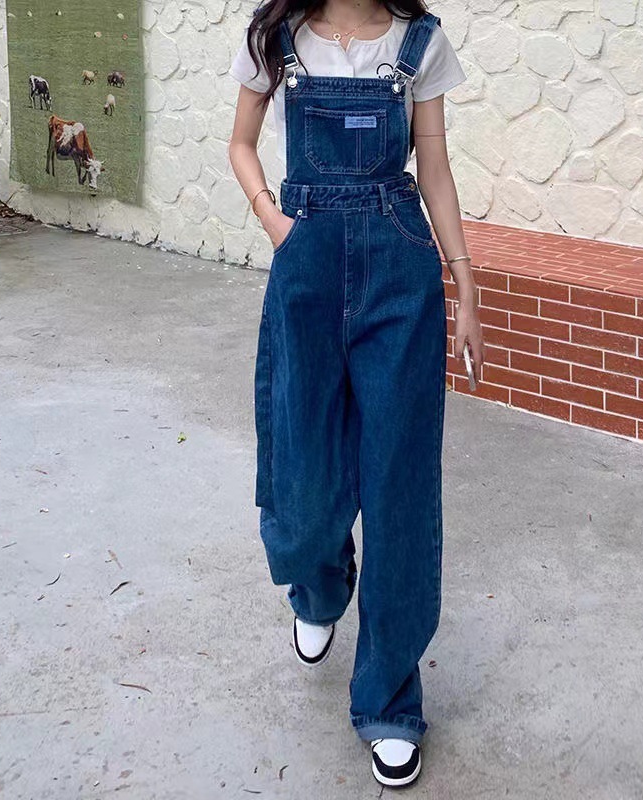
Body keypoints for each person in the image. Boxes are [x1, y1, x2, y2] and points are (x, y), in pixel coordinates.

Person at [227, 0, 485, 787]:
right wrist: (276, 224)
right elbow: (240, 143)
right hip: (304, 261)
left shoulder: (419, 43)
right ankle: (319, 583)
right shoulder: (275, 38)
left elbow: (433, 167)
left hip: (399, 268)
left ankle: (389, 700)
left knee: (399, 488)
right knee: (303, 476)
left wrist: (465, 282)